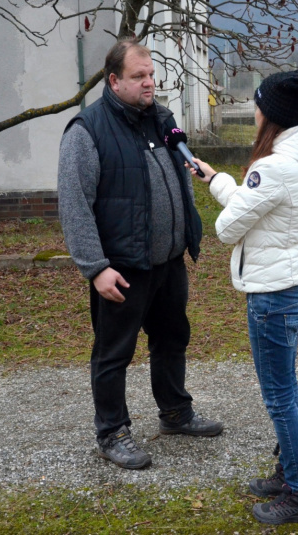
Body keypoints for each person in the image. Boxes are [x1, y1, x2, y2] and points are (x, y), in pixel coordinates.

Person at [57, 38, 223, 470]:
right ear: (113, 81)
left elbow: (177, 179)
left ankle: (175, 412)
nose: (149, 83)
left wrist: (185, 236)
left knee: (172, 339)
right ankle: (112, 432)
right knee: (114, 353)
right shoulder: (87, 130)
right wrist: (96, 268)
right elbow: (74, 204)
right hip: (122, 268)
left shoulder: (162, 120)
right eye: (138, 77)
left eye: (151, 75)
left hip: (168, 261)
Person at [188, 70, 298, 525]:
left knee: (279, 396)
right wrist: (216, 179)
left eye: (257, 105)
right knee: (285, 393)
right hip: (292, 284)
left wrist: (235, 189)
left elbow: (228, 227)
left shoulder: (272, 167)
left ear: (269, 113)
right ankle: (288, 473)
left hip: (272, 297)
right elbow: (258, 208)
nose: (253, 112)